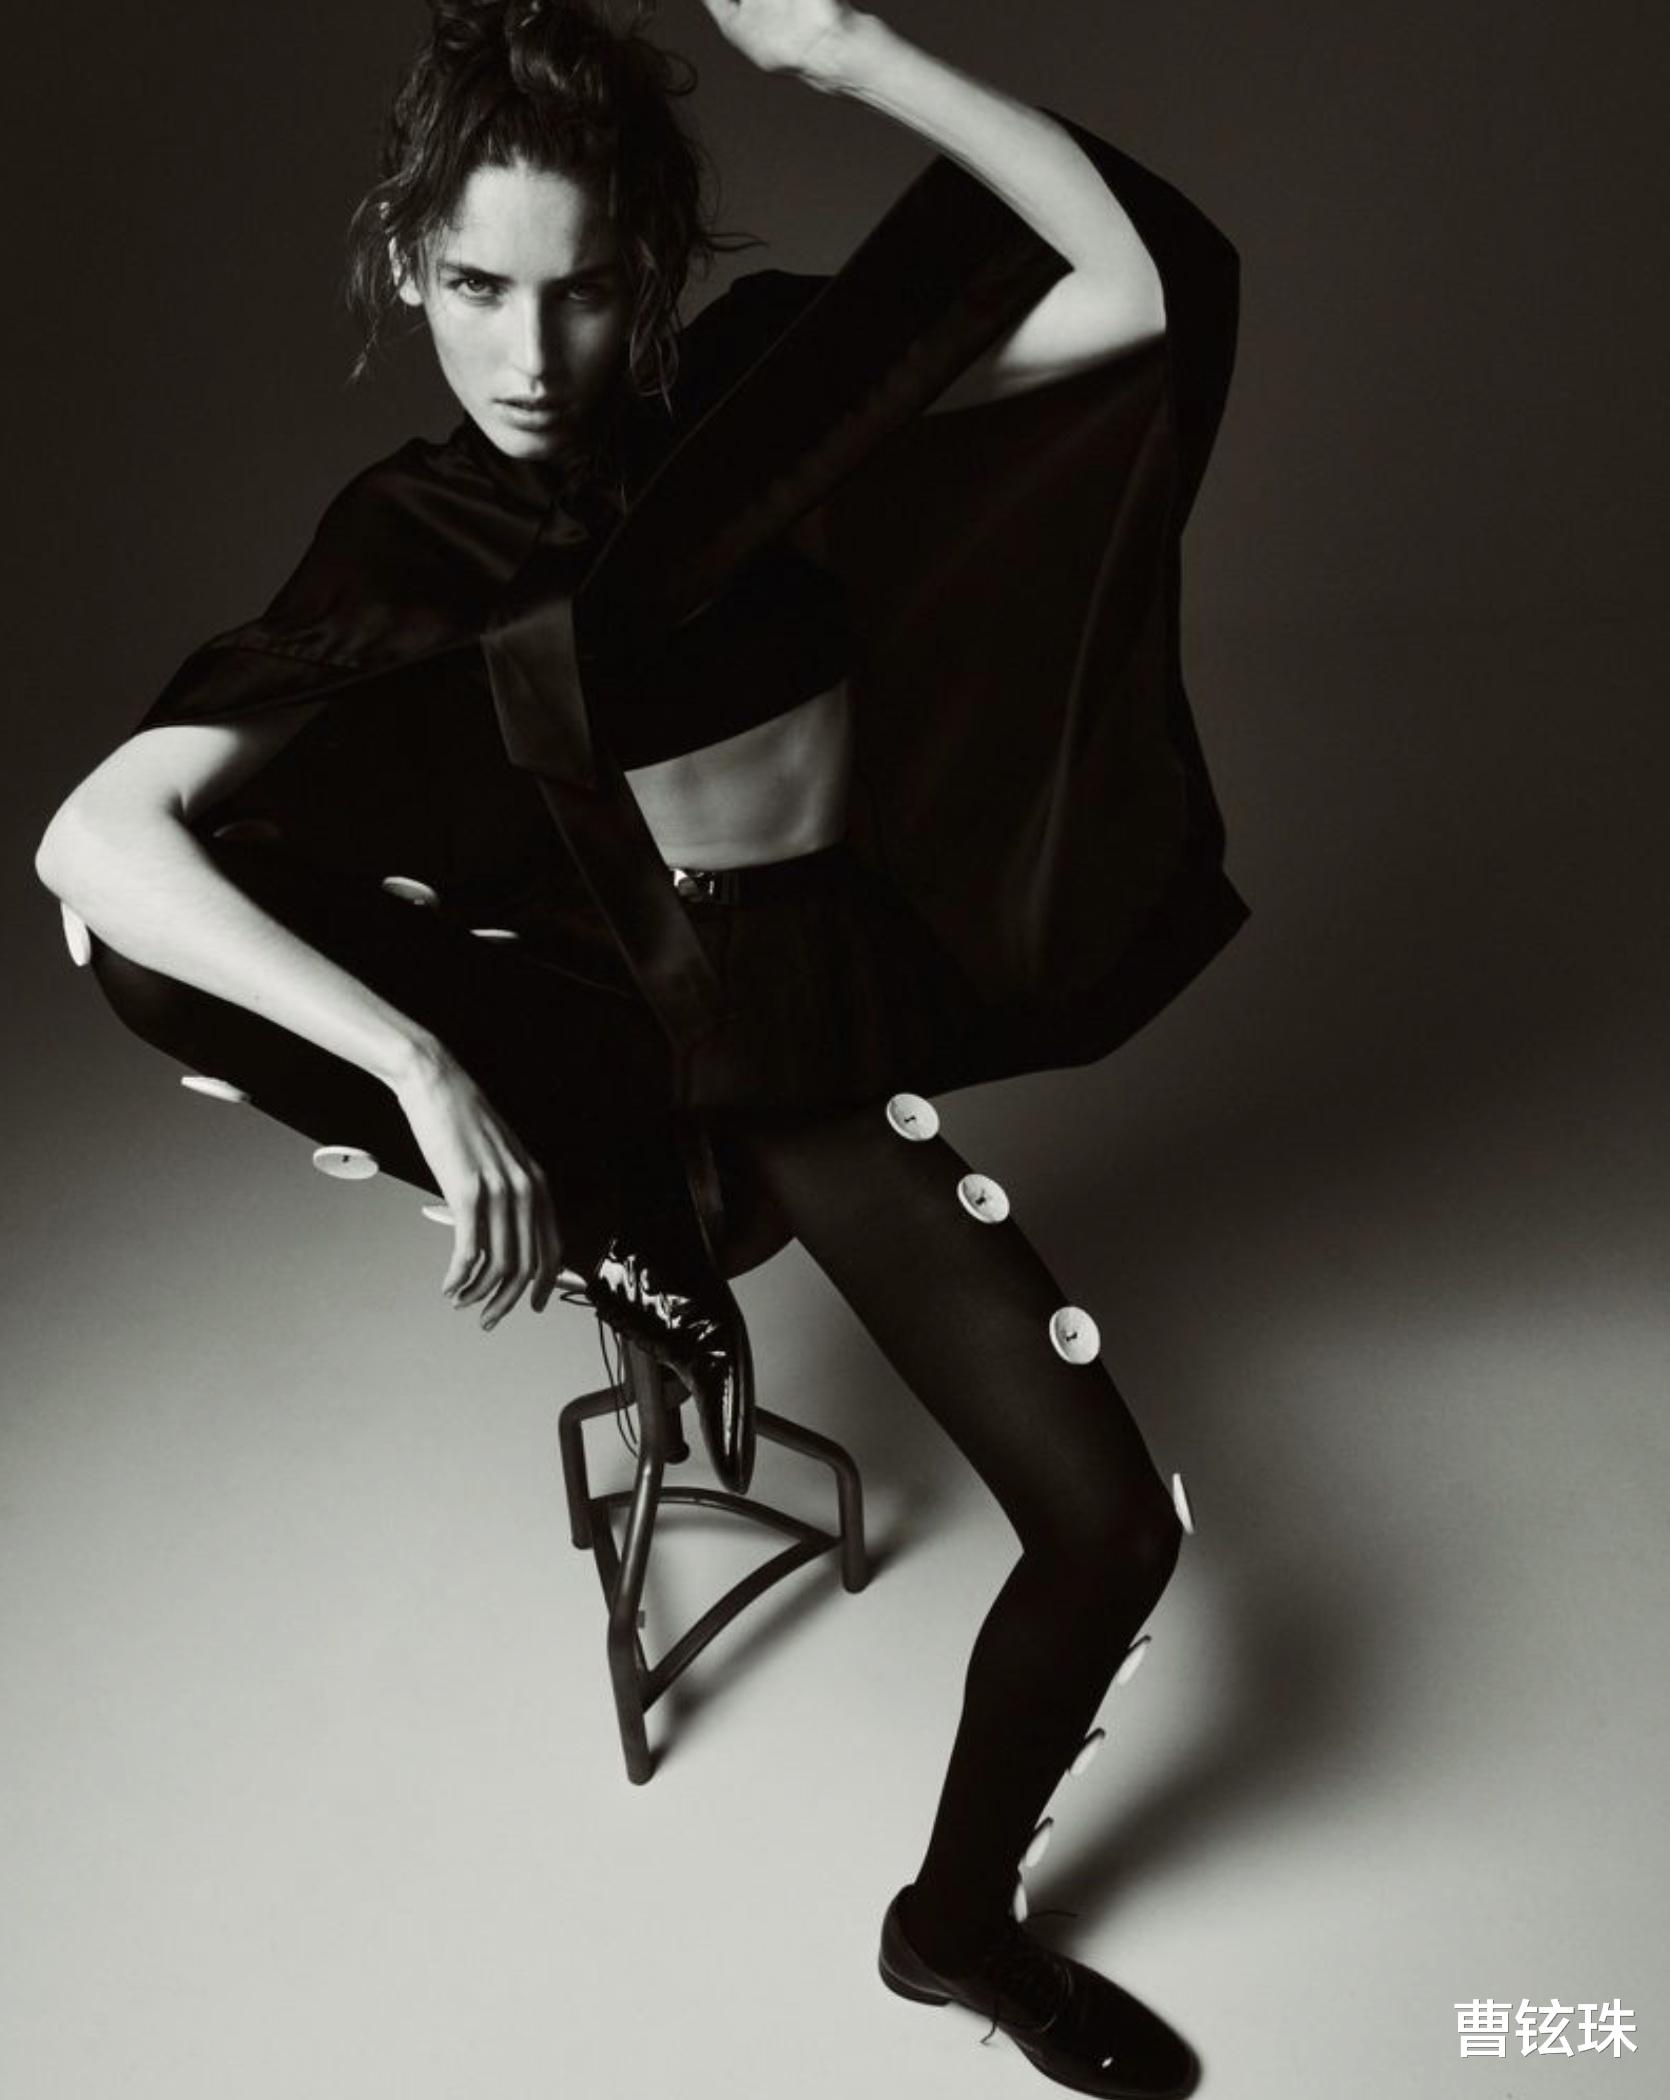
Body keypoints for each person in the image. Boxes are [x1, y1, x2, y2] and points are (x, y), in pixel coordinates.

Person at [35, 4, 1247, 2093]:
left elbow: (1142, 288)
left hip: (811, 1032)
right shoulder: (414, 530)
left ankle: (952, 1930)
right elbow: (93, 838)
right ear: (406, 264)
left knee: (1110, 1528)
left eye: (585, 290)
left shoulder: (770, 396)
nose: (530, 353)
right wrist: (423, 1073)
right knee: (133, 938)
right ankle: (624, 1227)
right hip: (603, 1025)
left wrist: (848, 48)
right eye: (477, 287)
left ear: (655, 270)